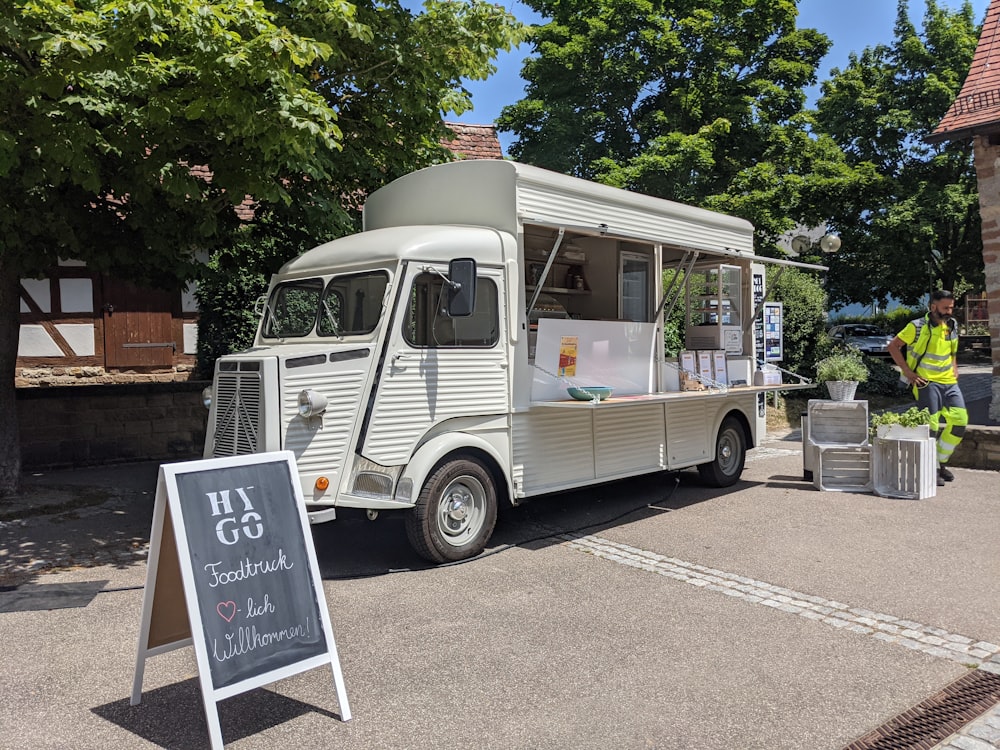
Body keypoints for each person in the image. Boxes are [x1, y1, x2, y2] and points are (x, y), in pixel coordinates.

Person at [887, 289, 967, 487]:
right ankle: (930, 468)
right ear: (933, 307)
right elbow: (893, 346)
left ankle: (940, 462)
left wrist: (955, 367)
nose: (949, 311)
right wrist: (907, 372)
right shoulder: (916, 326)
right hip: (926, 382)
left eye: (951, 308)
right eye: (945, 308)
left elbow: (952, 349)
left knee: (960, 421)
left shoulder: (952, 325)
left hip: (949, 382)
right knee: (930, 426)